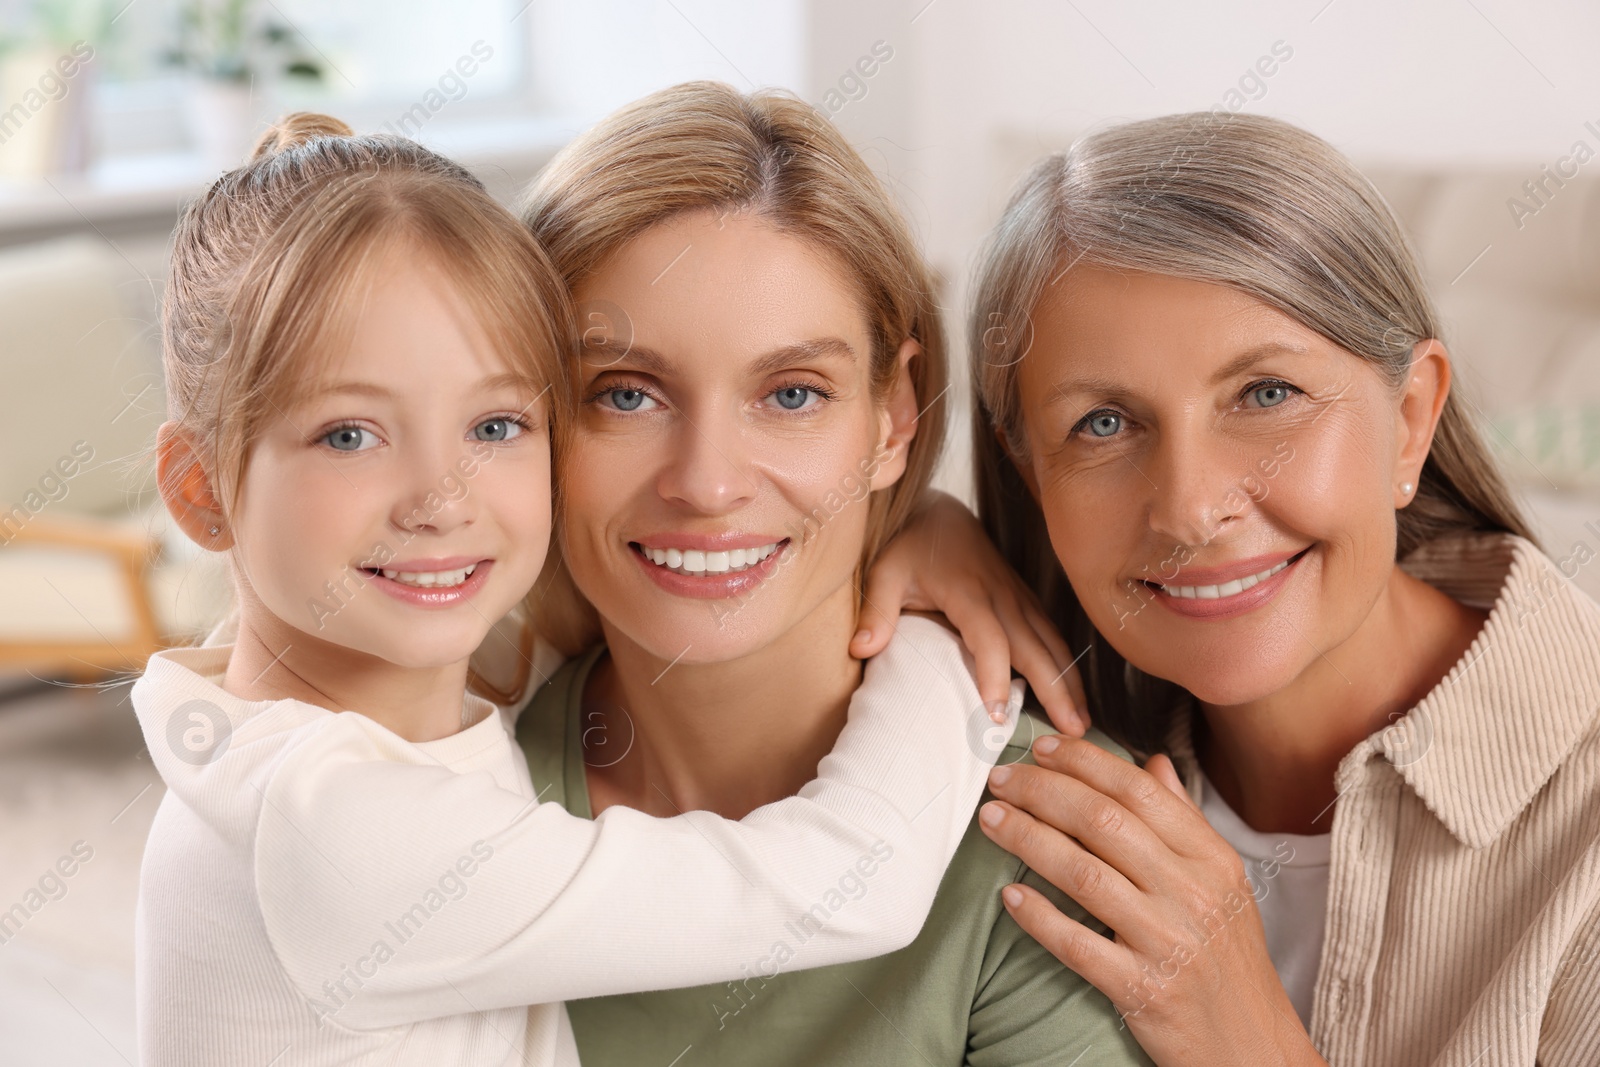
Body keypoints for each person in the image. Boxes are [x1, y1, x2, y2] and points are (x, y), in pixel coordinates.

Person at [135, 112, 1067, 1067]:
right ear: (200, 490)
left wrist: (922, 522)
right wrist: (938, 651)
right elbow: (845, 877)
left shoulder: (372, 703)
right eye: (348, 435)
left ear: (891, 419)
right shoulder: (330, 827)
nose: (439, 502)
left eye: (494, 425)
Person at [514, 81, 1151, 1066]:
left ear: (892, 417)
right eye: (626, 393)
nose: (708, 482)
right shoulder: (449, 790)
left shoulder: (1055, 843)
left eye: (792, 392)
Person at [968, 111, 1600, 1066]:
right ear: (1030, 478)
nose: (1189, 509)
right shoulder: (1014, 752)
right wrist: (917, 542)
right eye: (1101, 423)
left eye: (1266, 394)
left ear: (1412, 417)